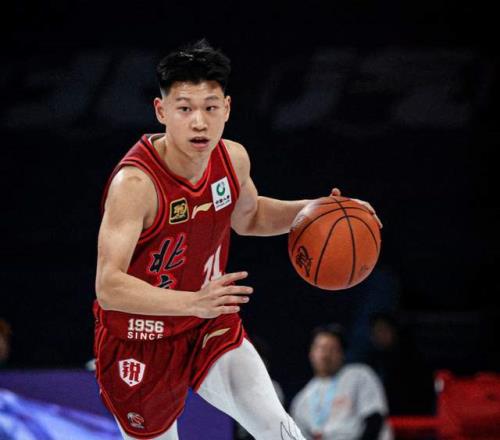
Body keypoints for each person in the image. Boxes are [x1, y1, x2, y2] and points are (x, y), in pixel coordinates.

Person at [93, 39, 381, 440]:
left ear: (227, 108)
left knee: (277, 427)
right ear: (161, 111)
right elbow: (108, 286)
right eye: (185, 108)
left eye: (210, 108)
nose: (199, 122)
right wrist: (193, 301)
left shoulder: (232, 159)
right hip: (139, 338)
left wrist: (323, 210)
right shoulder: (135, 184)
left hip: (208, 323)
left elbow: (250, 216)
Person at [290, 324, 393, 440]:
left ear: (342, 353)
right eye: (321, 348)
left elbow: (374, 420)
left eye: (332, 349)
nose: (326, 355)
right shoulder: (301, 401)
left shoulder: (360, 375)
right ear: (311, 353)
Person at [367, 312, 435, 415]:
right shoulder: (372, 362)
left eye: (383, 330)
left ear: (394, 331)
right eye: (375, 332)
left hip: (410, 416)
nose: (379, 335)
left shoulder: (412, 359)